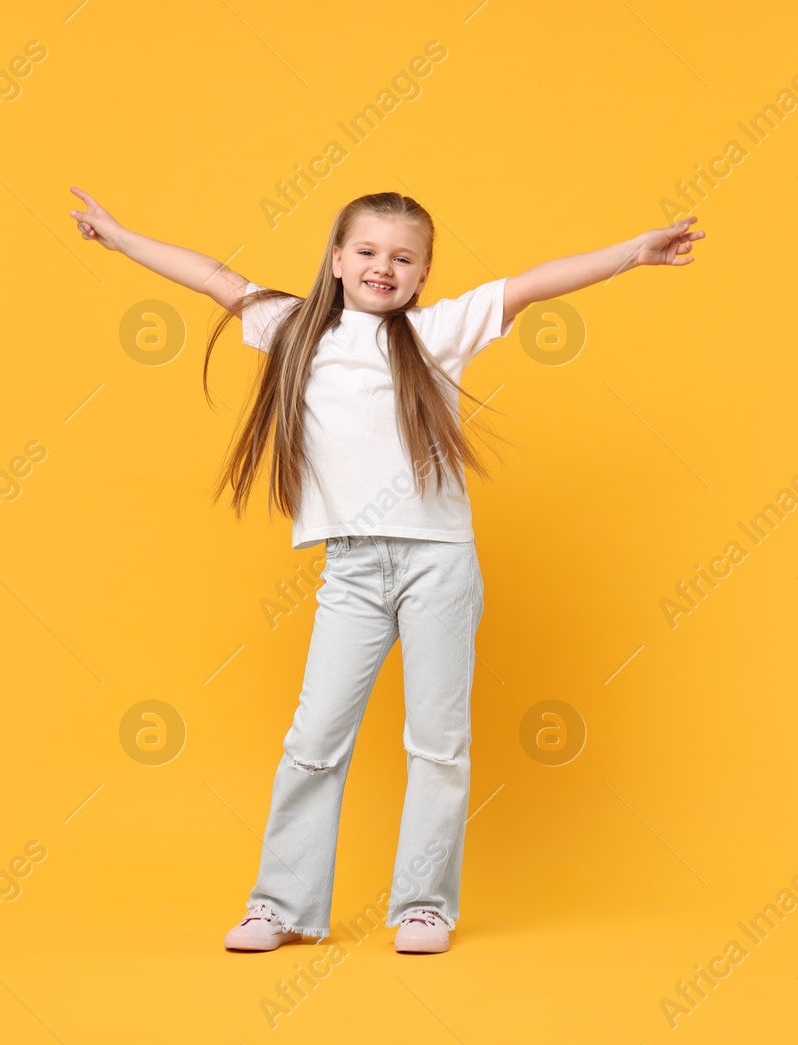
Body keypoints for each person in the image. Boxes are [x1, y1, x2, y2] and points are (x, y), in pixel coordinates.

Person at [69, 188, 704, 953]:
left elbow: (533, 282)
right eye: (367, 252)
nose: (383, 266)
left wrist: (631, 252)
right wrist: (118, 236)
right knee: (314, 738)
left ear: (424, 273)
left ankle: (424, 907)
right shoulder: (294, 329)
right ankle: (280, 904)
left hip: (439, 563)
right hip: (353, 568)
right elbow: (210, 275)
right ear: (336, 260)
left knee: (438, 741)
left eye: (402, 257)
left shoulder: (436, 333)